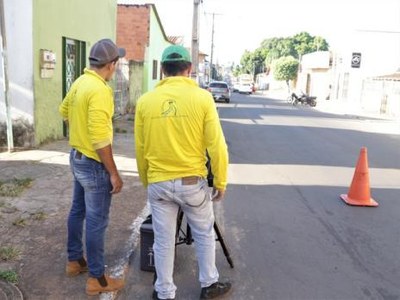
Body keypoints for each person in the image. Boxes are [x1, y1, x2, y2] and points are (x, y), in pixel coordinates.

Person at [134, 45, 231, 300]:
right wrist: (220, 180)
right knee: (203, 234)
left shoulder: (145, 102)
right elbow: (217, 145)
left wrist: (147, 180)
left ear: (163, 70)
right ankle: (209, 284)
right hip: (192, 183)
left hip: (158, 183)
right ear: (189, 69)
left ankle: (164, 292)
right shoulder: (203, 99)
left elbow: (140, 148)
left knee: (163, 241)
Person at [59, 38, 126, 296]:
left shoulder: (80, 82)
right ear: (110, 65)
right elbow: (100, 139)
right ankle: (97, 279)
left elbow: (63, 110)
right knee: (97, 221)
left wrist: (79, 127)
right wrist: (113, 173)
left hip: (76, 156)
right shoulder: (99, 90)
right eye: (116, 63)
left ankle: (74, 261)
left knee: (78, 211)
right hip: (93, 164)